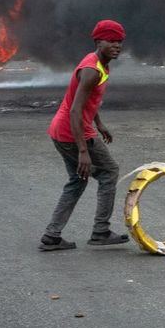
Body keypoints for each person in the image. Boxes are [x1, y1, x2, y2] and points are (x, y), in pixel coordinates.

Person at [40, 19, 129, 251]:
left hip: (62, 131)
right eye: (111, 41)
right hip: (73, 132)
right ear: (98, 42)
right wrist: (83, 151)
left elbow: (88, 102)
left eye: (119, 42)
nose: (116, 45)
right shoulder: (91, 70)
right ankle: (101, 231)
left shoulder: (99, 64)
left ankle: (52, 235)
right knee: (109, 172)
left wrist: (99, 122)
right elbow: (75, 110)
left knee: (77, 181)